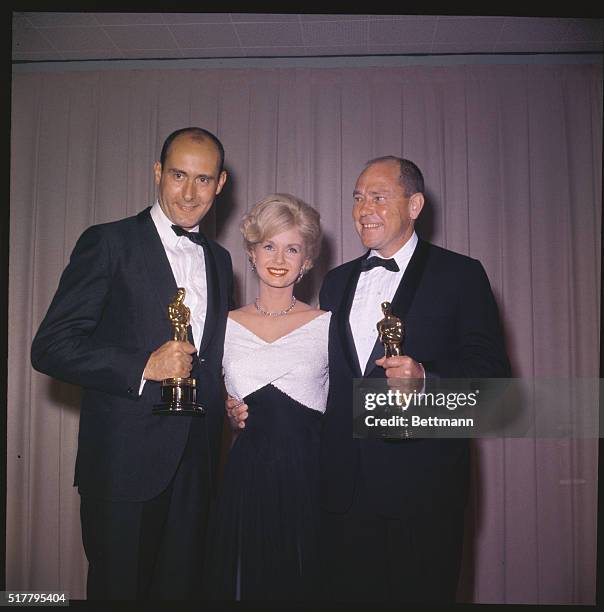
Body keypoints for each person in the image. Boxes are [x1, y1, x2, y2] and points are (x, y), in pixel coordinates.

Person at [228, 156, 510, 603]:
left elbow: (496, 389)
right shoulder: (336, 283)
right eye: (358, 198)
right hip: (339, 494)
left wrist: (428, 380)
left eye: (378, 197)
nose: (364, 209)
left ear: (415, 204)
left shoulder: (461, 275)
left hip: (423, 497)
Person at [30, 127, 232, 600]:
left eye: (203, 180)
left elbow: (213, 358)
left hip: (196, 467)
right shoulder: (107, 242)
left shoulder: (221, 260)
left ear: (220, 184)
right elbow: (50, 346)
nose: (189, 192)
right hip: (123, 469)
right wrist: (143, 365)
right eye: (179, 175)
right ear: (158, 173)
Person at [205, 193, 329, 601]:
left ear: (307, 260)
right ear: (252, 252)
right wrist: (227, 410)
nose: (279, 258)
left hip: (311, 478)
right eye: (269, 245)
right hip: (248, 476)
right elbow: (210, 400)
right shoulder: (222, 325)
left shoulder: (328, 325)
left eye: (292, 248)